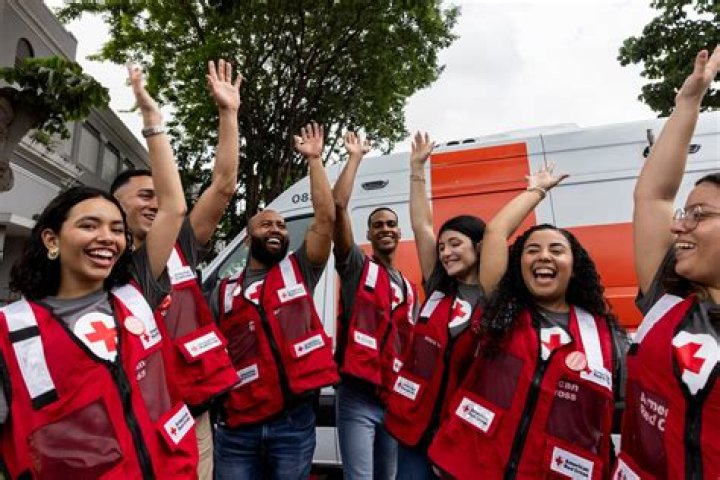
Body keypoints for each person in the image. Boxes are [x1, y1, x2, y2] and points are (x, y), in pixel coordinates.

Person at [0, 66, 195, 478]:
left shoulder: (135, 294)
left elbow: (174, 208)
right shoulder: (11, 331)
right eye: (89, 225)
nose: (107, 237)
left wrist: (152, 120)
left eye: (116, 229)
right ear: (51, 239)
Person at [427, 165, 628, 479]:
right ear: (519, 265)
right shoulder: (503, 310)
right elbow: (495, 233)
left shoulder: (607, 338)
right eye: (532, 250)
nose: (544, 256)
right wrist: (537, 190)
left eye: (556, 250)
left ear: (574, 267)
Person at [110, 59, 242, 479]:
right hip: (124, 420)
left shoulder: (181, 244)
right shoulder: (99, 266)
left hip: (188, 416)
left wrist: (228, 113)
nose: (155, 203)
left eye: (159, 195)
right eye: (143, 196)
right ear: (114, 205)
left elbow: (223, 185)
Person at [613, 46, 720, 480]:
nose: (679, 226)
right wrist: (688, 102)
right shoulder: (668, 300)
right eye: (683, 213)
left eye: (699, 215)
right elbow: (653, 197)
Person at [211, 122, 338, 479]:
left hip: (292, 425)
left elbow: (325, 220)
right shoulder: (222, 291)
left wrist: (314, 160)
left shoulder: (300, 270)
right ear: (247, 237)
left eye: (281, 226)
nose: (276, 230)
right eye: (266, 225)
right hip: (237, 428)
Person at [384, 132, 487, 479]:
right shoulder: (439, 288)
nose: (446, 252)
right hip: (417, 433)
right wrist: (417, 169)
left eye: (455, 244)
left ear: (480, 246)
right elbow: (422, 225)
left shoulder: (497, 297)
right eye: (442, 247)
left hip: (463, 437)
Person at [332, 132, 418, 479]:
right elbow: (338, 207)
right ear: (368, 234)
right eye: (377, 225)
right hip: (357, 396)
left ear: (399, 233)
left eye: (391, 224)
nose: (385, 229)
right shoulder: (357, 267)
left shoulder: (409, 287)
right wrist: (354, 157)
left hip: (392, 396)